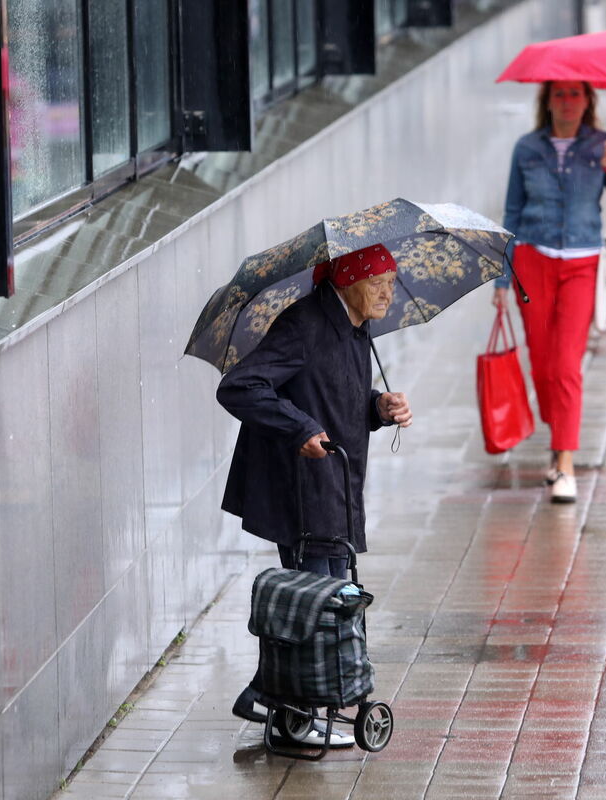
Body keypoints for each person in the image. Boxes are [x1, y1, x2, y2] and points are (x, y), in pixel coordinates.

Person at [217, 244, 413, 745]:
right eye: (379, 282)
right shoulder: (304, 324)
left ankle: (273, 698)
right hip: (301, 488)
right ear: (348, 281)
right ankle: (292, 712)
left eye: (392, 281)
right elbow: (240, 387)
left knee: (328, 597)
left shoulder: (354, 327)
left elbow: (336, 395)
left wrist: (378, 408)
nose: (389, 293)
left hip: (335, 485)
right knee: (318, 598)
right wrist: (298, 426)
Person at [493, 80, 606, 504]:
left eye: (576, 94)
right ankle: (559, 441)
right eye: (560, 94)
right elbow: (511, 213)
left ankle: (566, 461)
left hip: (582, 264)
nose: (568, 102)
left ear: (589, 100)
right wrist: (502, 279)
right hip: (532, 262)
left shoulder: (602, 146)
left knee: (567, 363)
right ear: (547, 101)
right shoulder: (526, 148)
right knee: (541, 365)